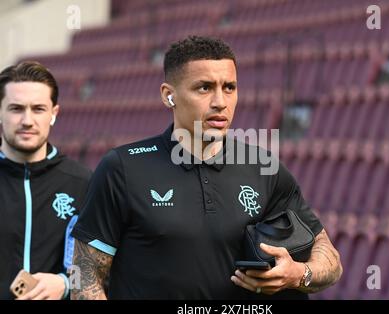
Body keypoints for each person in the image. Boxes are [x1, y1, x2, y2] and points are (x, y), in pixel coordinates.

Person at [71, 36, 342, 300]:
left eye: (229, 87)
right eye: (204, 88)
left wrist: (299, 273)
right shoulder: (123, 168)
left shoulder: (264, 167)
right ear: (169, 96)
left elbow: (328, 256)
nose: (220, 102)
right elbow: (84, 273)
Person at [0, 61, 91, 300]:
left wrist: (66, 284)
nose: (27, 120)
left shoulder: (83, 183)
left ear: (54, 114)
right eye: (16, 108)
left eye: (38, 109)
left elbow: (107, 266)